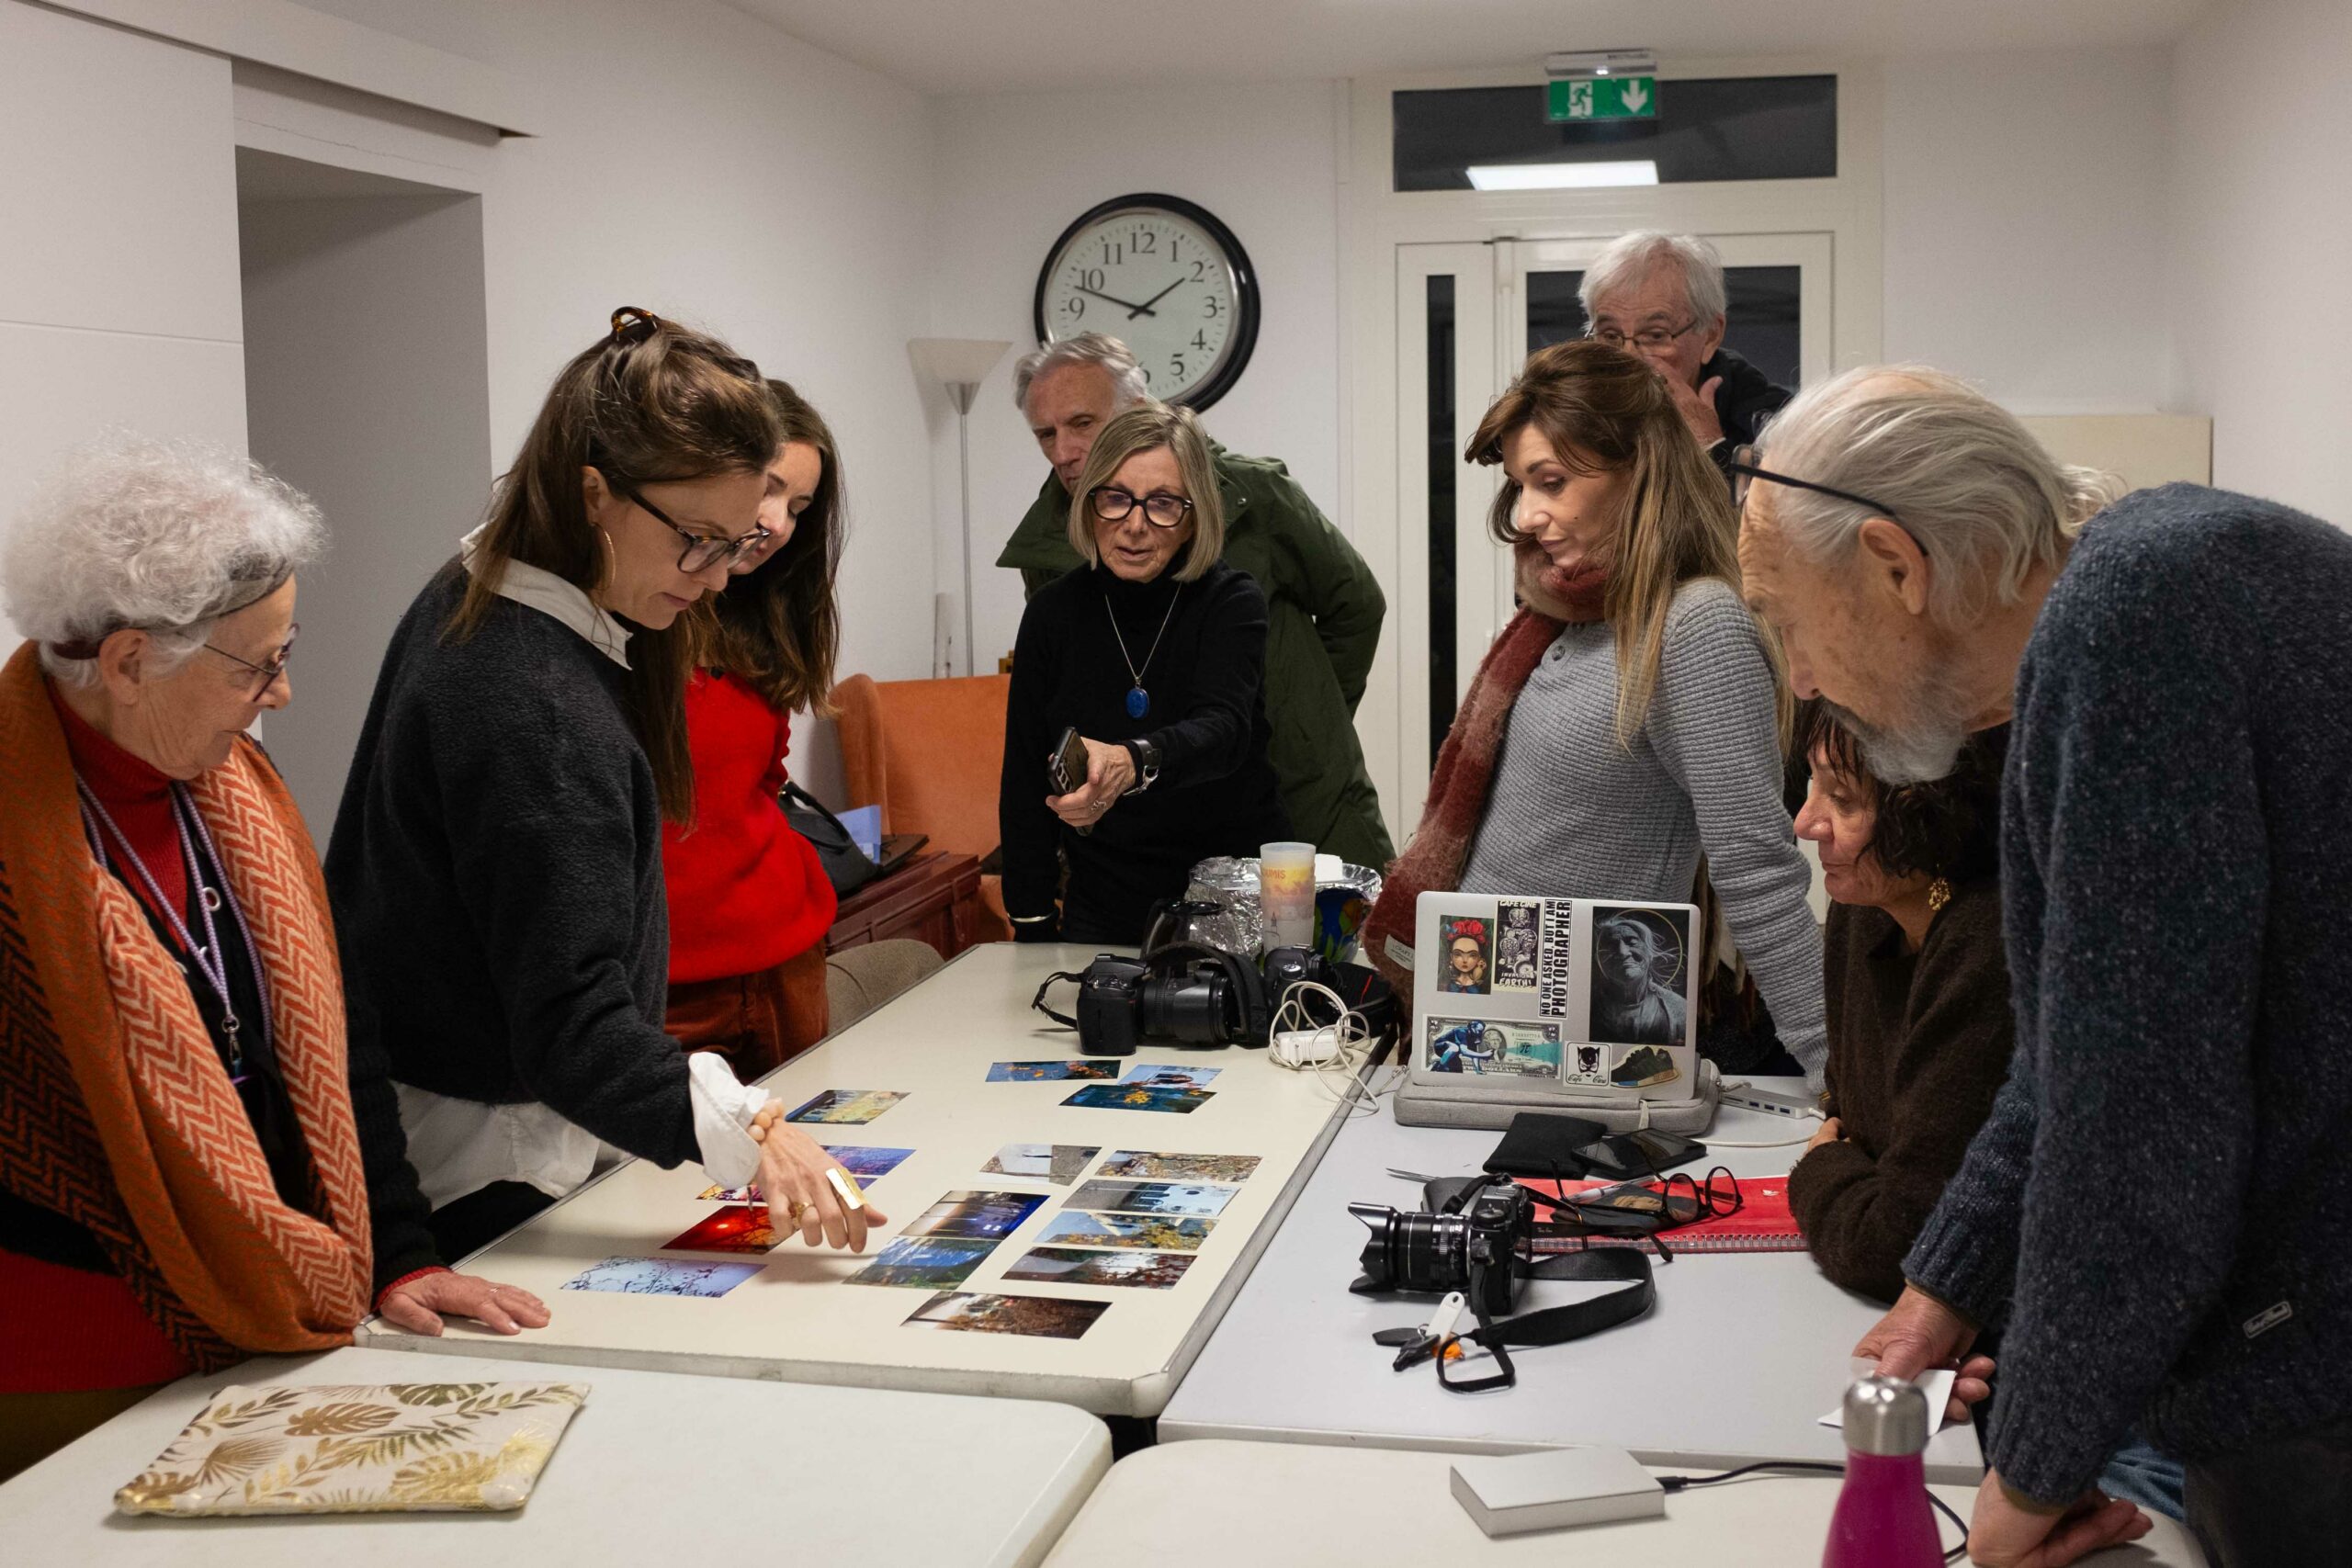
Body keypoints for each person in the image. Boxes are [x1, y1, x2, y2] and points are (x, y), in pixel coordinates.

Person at [1736, 365, 2352, 1565]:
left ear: (1896, 565)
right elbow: (2069, 1053)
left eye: (1785, 618)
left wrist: (2030, 1472)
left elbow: (2143, 1119)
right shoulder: (2132, 591)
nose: (1801, 678)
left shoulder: (2133, 620)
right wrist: (1944, 1286)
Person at [0, 438, 545, 1480]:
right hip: (68, 1360)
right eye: (259, 663)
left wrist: (399, 1253)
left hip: (273, 1321)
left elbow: (343, 1040)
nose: (282, 694)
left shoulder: (237, 790)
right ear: (125, 662)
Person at [327, 310, 886, 1266]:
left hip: (489, 1125)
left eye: (733, 543)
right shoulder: (529, 699)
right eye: (697, 543)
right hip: (485, 1163)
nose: (714, 582)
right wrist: (756, 1132)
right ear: (593, 493)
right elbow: (571, 1026)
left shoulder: (486, 583)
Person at [1363, 340, 1826, 1087]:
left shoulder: (1696, 625)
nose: (1526, 513)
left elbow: (1757, 871)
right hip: (1477, 1043)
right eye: (1519, 484)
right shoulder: (1567, 616)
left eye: (1550, 481)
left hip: (1571, 1067)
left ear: (1638, 473)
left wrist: (1847, 1080)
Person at [997, 333, 1392, 869]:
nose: (1064, 452)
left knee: (1346, 944)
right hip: (1151, 821)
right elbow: (1066, 694)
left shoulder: (1254, 493)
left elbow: (1356, 606)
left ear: (1136, 412)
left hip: (1302, 792)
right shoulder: (1046, 544)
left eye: (1082, 424)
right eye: (1046, 433)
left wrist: (1299, 729)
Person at [999, 400, 1290, 945]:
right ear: (1089, 507)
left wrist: (1132, 761)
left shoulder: (1231, 600)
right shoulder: (1052, 613)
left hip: (1233, 896)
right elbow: (1022, 777)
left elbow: (1224, 731)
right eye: (1115, 499)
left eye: (1162, 504)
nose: (1134, 526)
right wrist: (1031, 919)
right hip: (1104, 897)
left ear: (1194, 517)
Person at [1786, 704, 2010, 1305]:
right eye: (1813, 787)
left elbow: (1899, 1244)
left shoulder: (1987, 943)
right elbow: (1848, 1117)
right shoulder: (1862, 913)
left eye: (1844, 799)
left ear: (1926, 809)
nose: (1807, 822)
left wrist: (1817, 1173)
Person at [661, 378, 843, 1077]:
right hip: (667, 991)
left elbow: (760, 783)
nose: (779, 523)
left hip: (786, 963)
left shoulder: (757, 618)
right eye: (768, 489)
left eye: (798, 506)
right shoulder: (641, 617)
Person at [1579, 231, 1791, 485]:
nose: (1628, 357)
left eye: (1655, 335)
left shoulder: (1775, 427)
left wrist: (1710, 447)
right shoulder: (1574, 410)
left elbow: (1769, 523)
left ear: (1711, 335)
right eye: (1610, 335)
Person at [1590, 912, 1688, 1045]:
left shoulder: (1679, 1008)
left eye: (1632, 942)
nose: (1622, 952)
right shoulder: (1588, 1006)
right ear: (1599, 959)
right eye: (1611, 946)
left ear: (1650, 952)